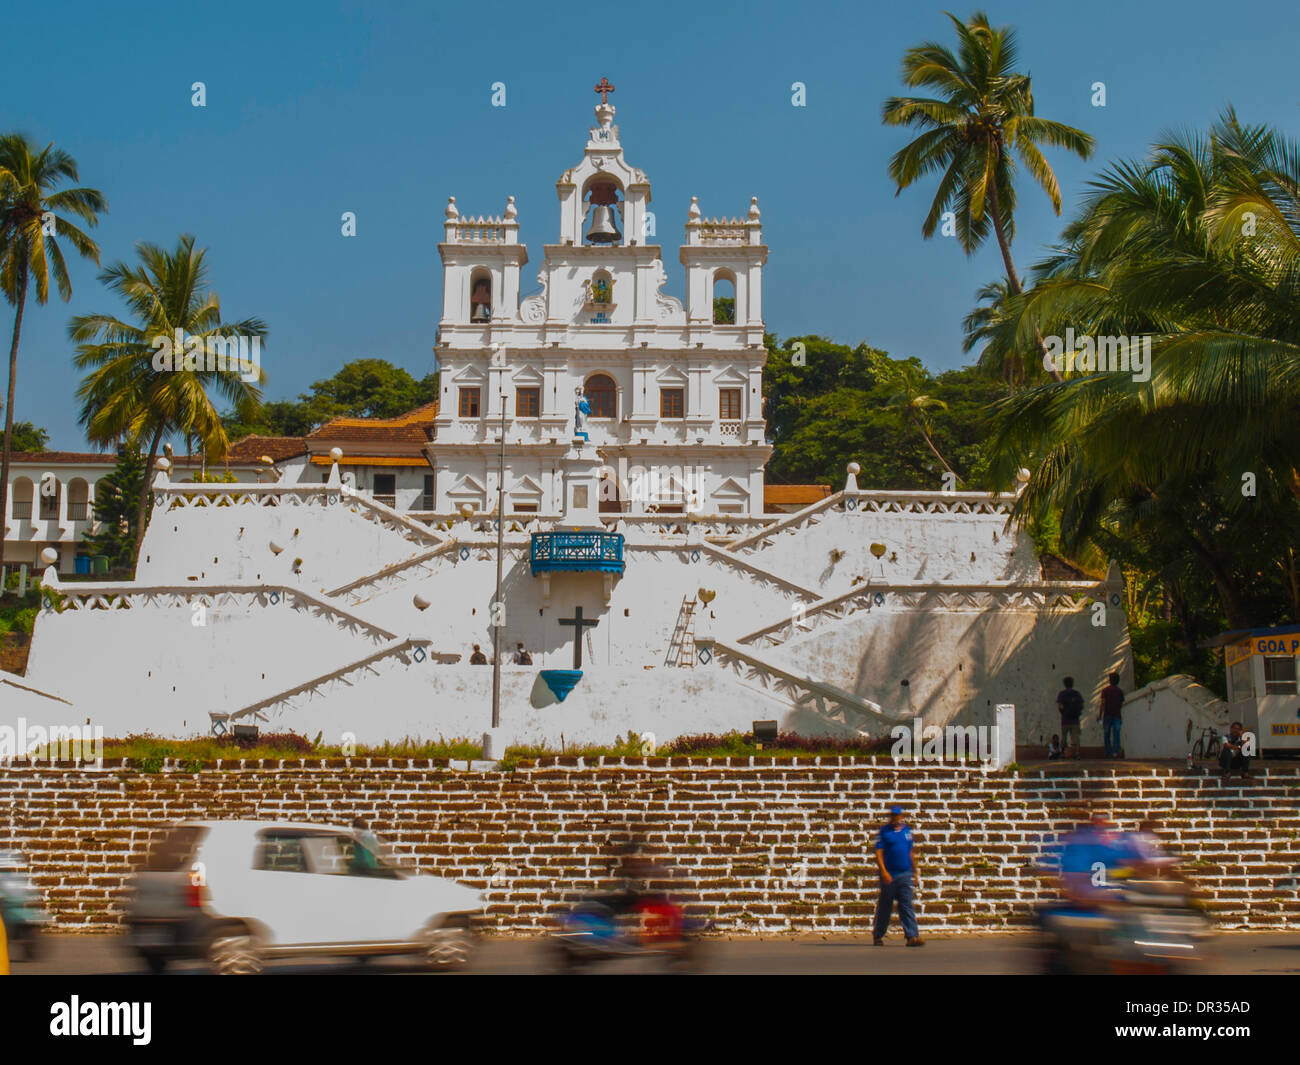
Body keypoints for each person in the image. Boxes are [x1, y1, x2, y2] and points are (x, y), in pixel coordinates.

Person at [873, 805, 922, 947]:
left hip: (905, 874)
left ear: (901, 817)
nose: (895, 818)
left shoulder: (906, 831)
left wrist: (915, 871)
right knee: (885, 907)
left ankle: (912, 936)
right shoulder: (884, 831)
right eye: (893, 816)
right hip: (890, 875)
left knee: (906, 905)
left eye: (897, 816)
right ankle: (878, 935)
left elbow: (910, 852)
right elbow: (879, 852)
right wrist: (883, 871)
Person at [1056, 676, 1084, 759]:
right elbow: (1082, 705)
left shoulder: (1062, 694)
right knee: (1075, 738)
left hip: (1065, 720)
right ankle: (1076, 754)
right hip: (1075, 720)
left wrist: (1064, 713)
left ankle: (1062, 753)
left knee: (1064, 736)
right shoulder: (1077, 694)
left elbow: (1060, 706)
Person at [1098, 672, 1125, 758]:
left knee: (1107, 733)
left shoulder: (1105, 691)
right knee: (1116, 734)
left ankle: (1107, 751)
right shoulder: (1120, 691)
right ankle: (1115, 752)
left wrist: (1100, 715)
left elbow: (1103, 703)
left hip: (1107, 715)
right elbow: (1121, 704)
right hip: (1117, 715)